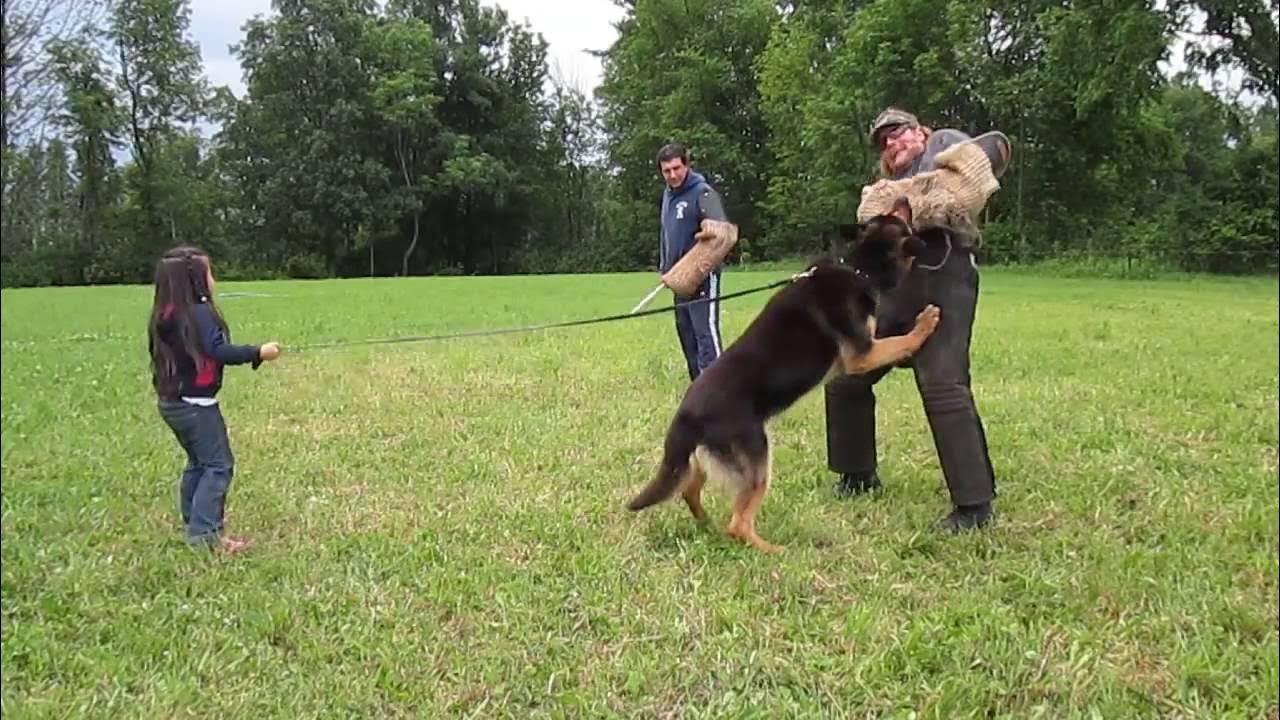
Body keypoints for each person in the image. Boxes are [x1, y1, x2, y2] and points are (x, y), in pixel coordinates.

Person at [824, 107, 1009, 531]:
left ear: (921, 131)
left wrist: (902, 200)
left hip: (947, 282)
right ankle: (857, 475)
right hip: (897, 292)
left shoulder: (945, 143)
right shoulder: (885, 184)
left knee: (943, 386)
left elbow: (981, 165)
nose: (893, 143)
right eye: (885, 142)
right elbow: (871, 222)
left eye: (899, 133)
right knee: (847, 375)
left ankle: (974, 506)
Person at [147, 246, 281, 552]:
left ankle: (195, 520)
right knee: (218, 466)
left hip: (173, 403)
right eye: (209, 273)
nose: (213, 279)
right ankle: (205, 535)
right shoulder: (200, 313)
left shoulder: (165, 315)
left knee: (198, 462)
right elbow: (217, 350)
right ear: (196, 280)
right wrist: (258, 352)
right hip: (197, 406)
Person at [656, 142, 730, 381]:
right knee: (686, 335)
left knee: (705, 335)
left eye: (677, 168)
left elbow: (722, 233)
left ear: (686, 165)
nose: (673, 175)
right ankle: (699, 389)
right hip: (678, 280)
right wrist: (665, 268)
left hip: (702, 279)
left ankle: (719, 389)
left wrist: (709, 231)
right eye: (667, 171)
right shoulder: (668, 196)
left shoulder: (703, 192)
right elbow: (666, 235)